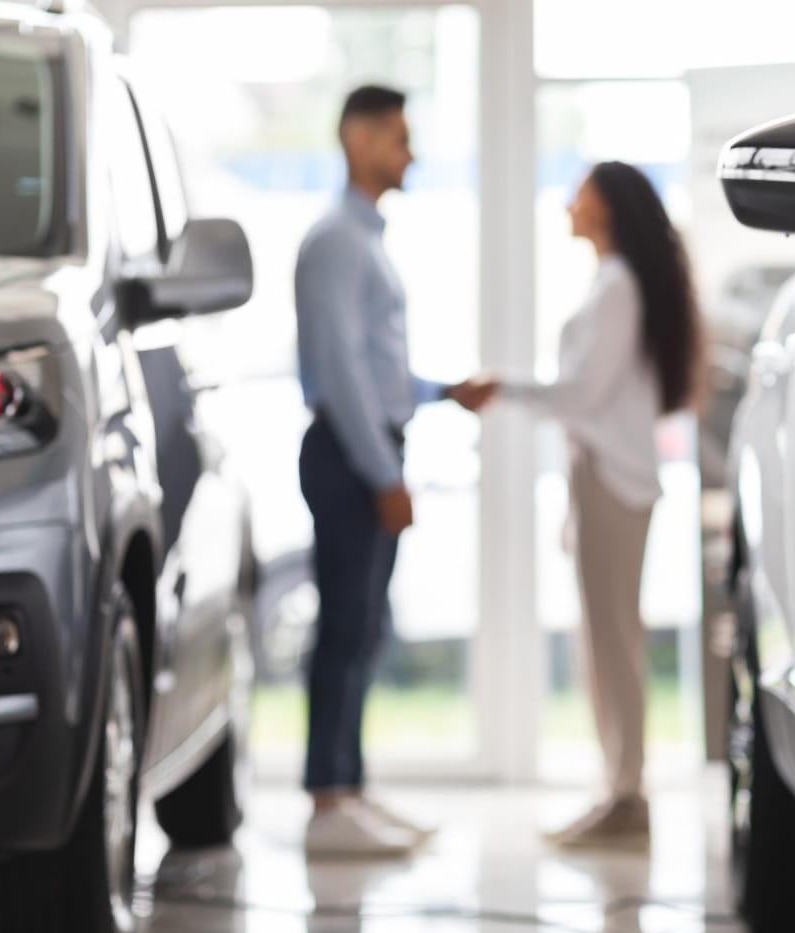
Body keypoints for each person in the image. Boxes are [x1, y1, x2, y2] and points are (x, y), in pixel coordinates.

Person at [466, 162, 703, 849]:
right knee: (605, 639)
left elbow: (579, 397)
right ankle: (619, 786)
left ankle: (627, 794)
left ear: (606, 208)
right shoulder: (615, 283)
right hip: (603, 478)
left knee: (613, 642)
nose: (569, 203)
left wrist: (500, 389)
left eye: (581, 193)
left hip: (613, 479)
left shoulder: (618, 287)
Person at [294, 84, 490, 857]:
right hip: (350, 454)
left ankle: (350, 790)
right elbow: (341, 377)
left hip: (366, 445)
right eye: (398, 138)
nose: (409, 154)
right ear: (358, 138)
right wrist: (384, 475)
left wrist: (443, 392)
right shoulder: (336, 240)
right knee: (345, 626)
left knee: (363, 625)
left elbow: (374, 369)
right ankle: (327, 802)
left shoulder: (364, 237)